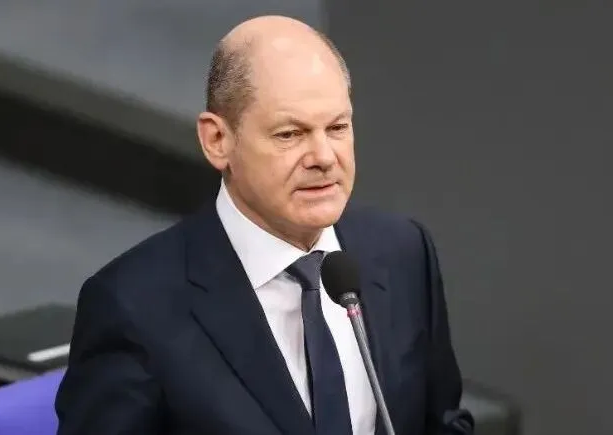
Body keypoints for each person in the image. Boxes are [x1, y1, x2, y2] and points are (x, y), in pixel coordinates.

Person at [54, 15, 473, 435]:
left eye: (337, 127)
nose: (324, 157)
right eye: (290, 134)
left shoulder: (403, 252)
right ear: (218, 140)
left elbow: (441, 421)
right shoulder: (133, 307)